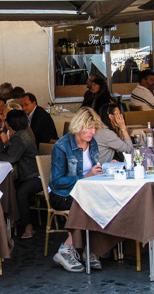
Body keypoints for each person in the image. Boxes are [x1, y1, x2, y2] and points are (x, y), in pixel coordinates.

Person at [50, 107, 104, 273]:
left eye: (94, 128)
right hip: (63, 195)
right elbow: (57, 182)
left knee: (105, 200)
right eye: (89, 128)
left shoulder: (92, 142)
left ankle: (89, 249)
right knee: (90, 204)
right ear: (79, 126)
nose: (93, 132)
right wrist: (86, 177)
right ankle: (66, 249)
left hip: (86, 192)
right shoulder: (62, 146)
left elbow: (93, 169)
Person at [0, 110, 41, 239]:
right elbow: (11, 153)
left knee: (20, 193)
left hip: (34, 176)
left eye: (6, 120)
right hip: (29, 174)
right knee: (9, 187)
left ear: (9, 124)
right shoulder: (21, 134)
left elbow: (11, 157)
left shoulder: (19, 137)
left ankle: (27, 226)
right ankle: (11, 220)